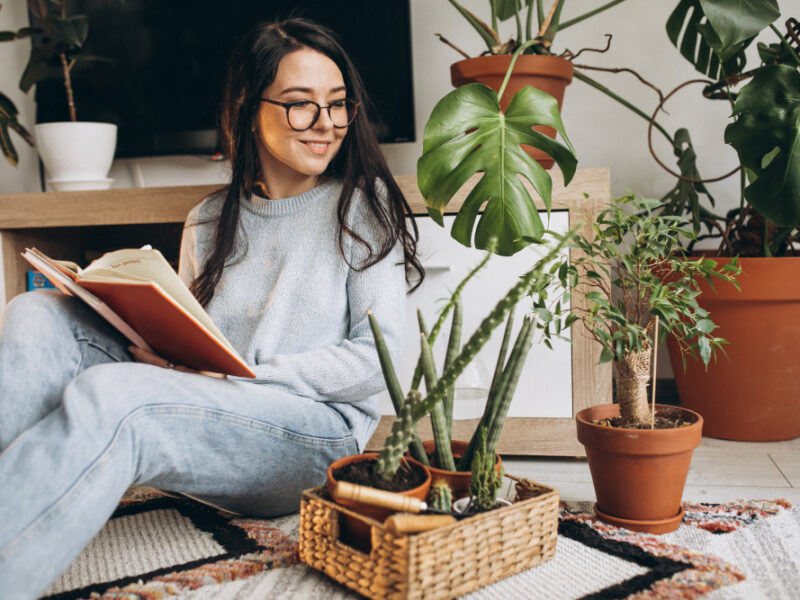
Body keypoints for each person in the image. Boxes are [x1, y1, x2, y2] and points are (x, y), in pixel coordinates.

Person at [0, 18, 423, 598]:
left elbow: (383, 360)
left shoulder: (362, 205)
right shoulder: (206, 220)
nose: (327, 124)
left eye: (338, 104)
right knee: (35, 313)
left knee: (118, 400)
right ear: (251, 107)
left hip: (316, 436)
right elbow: (192, 341)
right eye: (302, 106)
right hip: (216, 412)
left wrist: (245, 374)